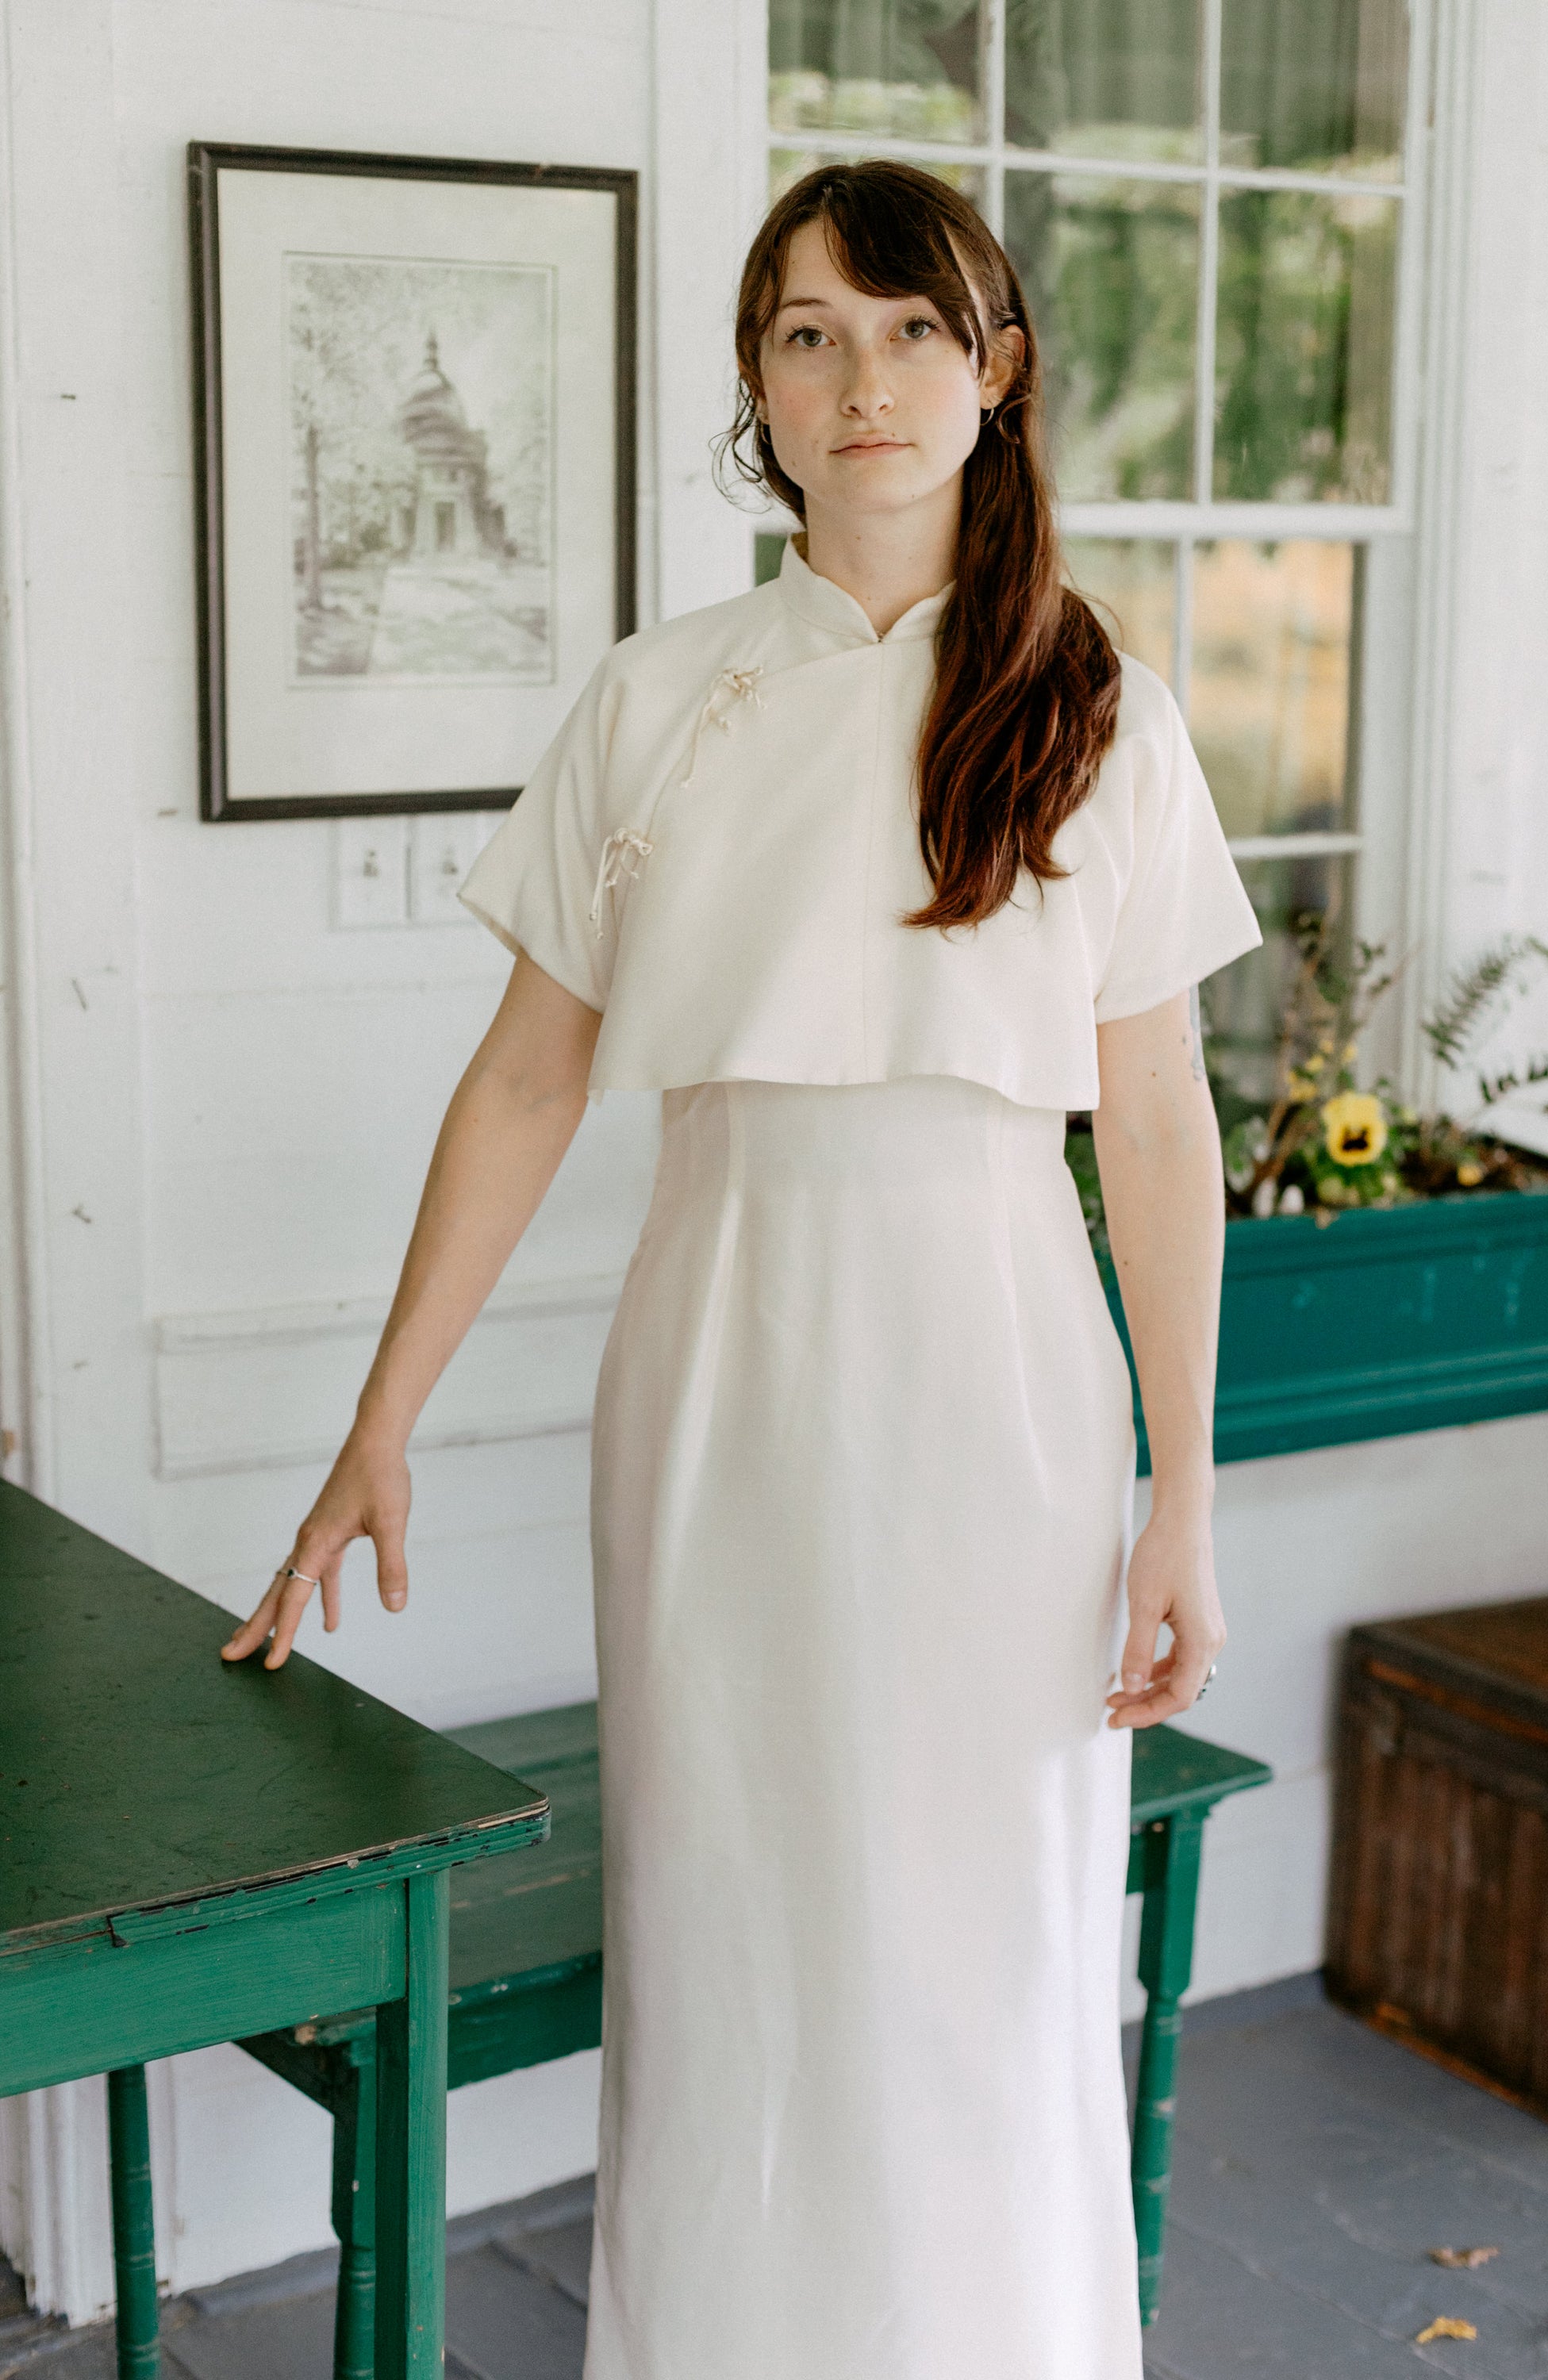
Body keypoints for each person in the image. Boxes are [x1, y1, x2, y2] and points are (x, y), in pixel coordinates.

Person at [224, 160, 1260, 2380]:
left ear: (993, 373)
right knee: (730, 1943)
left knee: (977, 1946)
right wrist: (373, 1424)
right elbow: (522, 1091)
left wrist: (1183, 1488)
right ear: (755, 394)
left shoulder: (1105, 717)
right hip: (718, 1365)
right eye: (807, 334)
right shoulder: (657, 699)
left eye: (908, 330)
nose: (860, 378)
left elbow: (1156, 1132)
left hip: (1001, 1378)